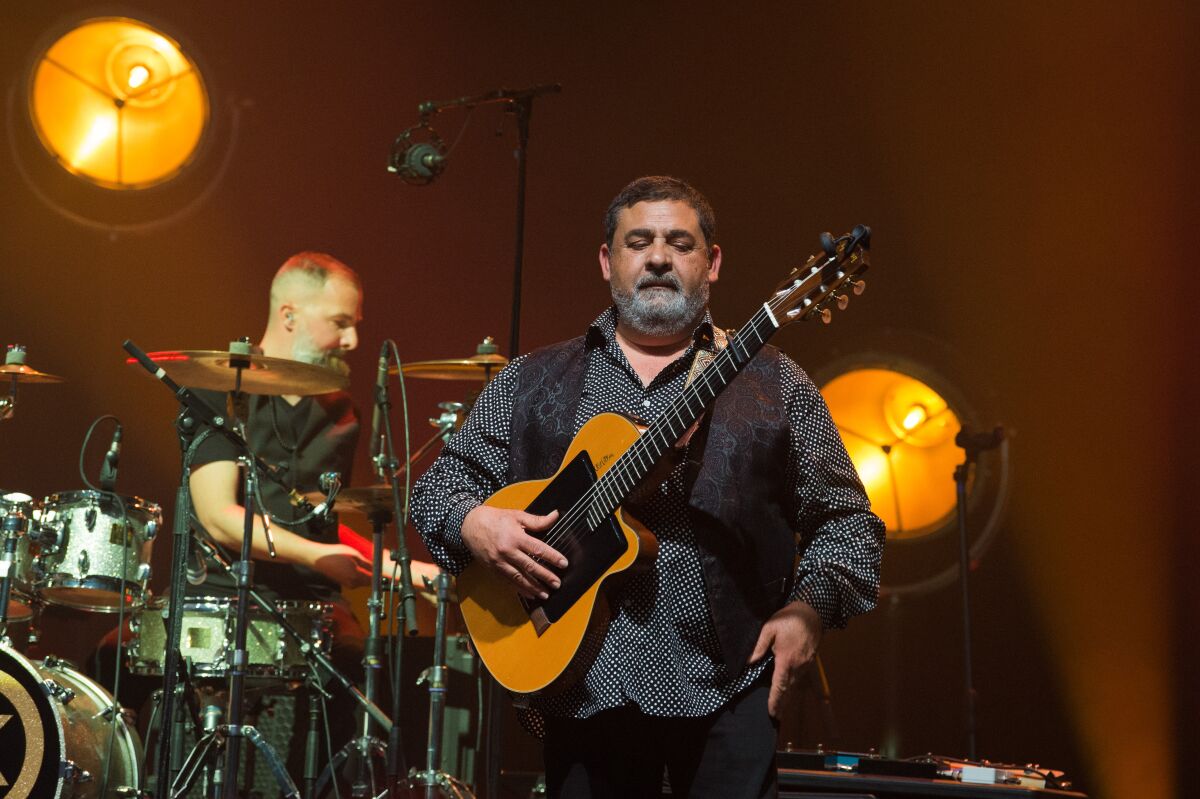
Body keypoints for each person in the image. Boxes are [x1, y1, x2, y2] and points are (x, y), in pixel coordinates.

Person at [411, 176, 886, 798]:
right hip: (583, 684)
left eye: (680, 243)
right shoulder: (535, 378)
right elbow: (438, 486)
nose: (659, 256)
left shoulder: (778, 386)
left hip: (730, 684)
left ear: (711, 263)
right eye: (639, 241)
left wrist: (809, 610)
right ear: (608, 260)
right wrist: (477, 525)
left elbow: (849, 525)